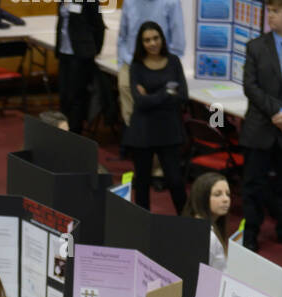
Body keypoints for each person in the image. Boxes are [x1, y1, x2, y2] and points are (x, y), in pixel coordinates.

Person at [240, 0, 282, 250]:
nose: (270, 15)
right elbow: (250, 86)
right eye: (269, 10)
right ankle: (251, 232)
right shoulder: (255, 47)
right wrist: (278, 112)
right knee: (253, 186)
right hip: (260, 128)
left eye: (276, 11)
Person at [124, 21, 187, 213]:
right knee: (142, 183)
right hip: (143, 132)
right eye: (147, 40)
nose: (152, 43)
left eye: (155, 38)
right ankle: (143, 227)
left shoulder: (174, 61)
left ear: (162, 38)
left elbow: (183, 96)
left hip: (169, 130)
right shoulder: (136, 66)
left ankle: (188, 222)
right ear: (141, 43)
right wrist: (167, 91)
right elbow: (139, 102)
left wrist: (151, 96)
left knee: (175, 181)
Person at [116, 0, 184, 135]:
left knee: (161, 108)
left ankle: (159, 147)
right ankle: (136, 143)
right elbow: (122, 37)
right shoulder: (129, 2)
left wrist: (167, 68)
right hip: (131, 64)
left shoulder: (171, 3)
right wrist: (122, 64)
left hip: (161, 67)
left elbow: (178, 44)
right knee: (131, 114)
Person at [56, 0, 105, 137]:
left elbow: (99, 25)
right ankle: (63, 129)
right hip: (64, 52)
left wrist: (94, 49)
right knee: (63, 94)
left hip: (80, 54)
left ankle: (75, 133)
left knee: (76, 95)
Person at [182, 171, 231, 272]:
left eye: (228, 194)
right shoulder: (207, 237)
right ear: (202, 198)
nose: (226, 199)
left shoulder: (191, 222)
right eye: (218, 194)